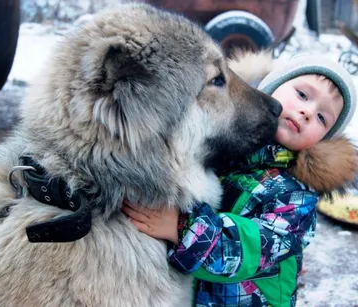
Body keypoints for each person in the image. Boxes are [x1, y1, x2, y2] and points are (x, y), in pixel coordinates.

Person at [122, 54, 357, 307]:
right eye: (302, 95)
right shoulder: (227, 150)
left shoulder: (295, 198)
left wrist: (182, 228)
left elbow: (250, 248)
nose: (307, 112)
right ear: (271, 87)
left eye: (322, 118)